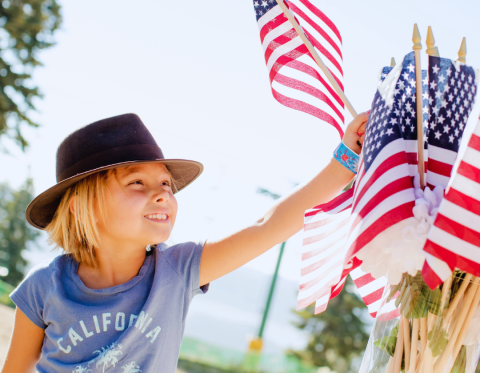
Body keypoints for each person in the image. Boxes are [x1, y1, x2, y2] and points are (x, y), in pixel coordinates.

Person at [1, 112, 367, 373]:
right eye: (137, 184)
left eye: (166, 185)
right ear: (85, 205)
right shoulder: (41, 288)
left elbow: (265, 226)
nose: (162, 195)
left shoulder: (178, 270)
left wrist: (345, 162)